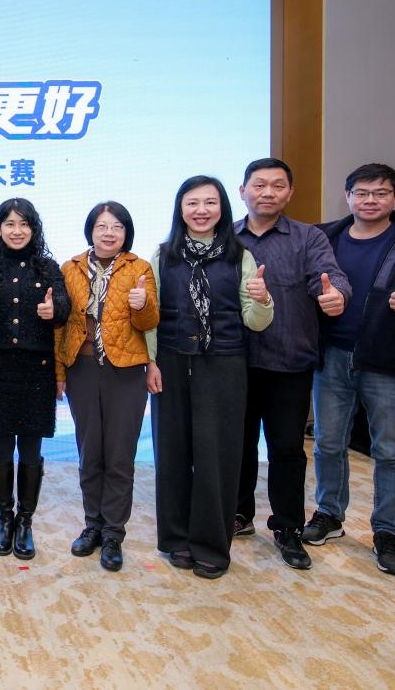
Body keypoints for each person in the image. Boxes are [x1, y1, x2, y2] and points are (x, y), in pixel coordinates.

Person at [303, 163, 395, 577]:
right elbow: (309, 282)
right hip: (331, 355)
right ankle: (329, 514)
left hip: (388, 360)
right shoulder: (324, 237)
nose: (370, 200)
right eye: (361, 193)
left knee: (391, 451)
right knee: (328, 442)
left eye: (380, 193)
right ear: (347, 196)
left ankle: (387, 532)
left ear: (394, 197)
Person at [146, 175, 274, 579]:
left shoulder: (240, 256)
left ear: (222, 208)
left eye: (210, 202)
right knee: (172, 453)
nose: (201, 210)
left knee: (217, 457)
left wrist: (263, 299)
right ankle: (176, 539)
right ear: (180, 209)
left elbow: (255, 321)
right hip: (170, 363)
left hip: (224, 365)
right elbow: (151, 316)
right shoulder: (163, 255)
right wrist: (150, 362)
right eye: (192, 203)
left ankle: (212, 547)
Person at [233, 159, 350, 571]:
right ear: (242, 190)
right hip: (234, 361)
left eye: (277, 185)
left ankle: (287, 527)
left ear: (290, 192)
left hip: (289, 361)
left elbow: (330, 277)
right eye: (259, 185)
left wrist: (336, 295)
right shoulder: (226, 236)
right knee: (238, 444)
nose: (267, 192)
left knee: (285, 448)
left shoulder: (308, 237)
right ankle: (239, 513)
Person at [55, 201, 158, 572]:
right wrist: (58, 372)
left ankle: (114, 533)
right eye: (102, 226)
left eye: (117, 226)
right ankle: (92, 525)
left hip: (126, 371)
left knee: (119, 455)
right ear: (91, 231)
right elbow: (60, 324)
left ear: (126, 232)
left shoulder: (139, 268)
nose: (109, 233)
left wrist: (142, 304)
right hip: (82, 369)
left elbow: (150, 322)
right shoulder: (70, 268)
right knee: (90, 451)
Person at [0, 198, 68, 560]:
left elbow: (64, 307)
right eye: (10, 224)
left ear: (34, 228)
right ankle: (4, 519)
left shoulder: (48, 267)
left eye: (24, 224)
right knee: (1, 449)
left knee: (31, 450)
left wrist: (54, 309)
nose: (17, 231)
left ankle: (25, 522)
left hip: (36, 371)